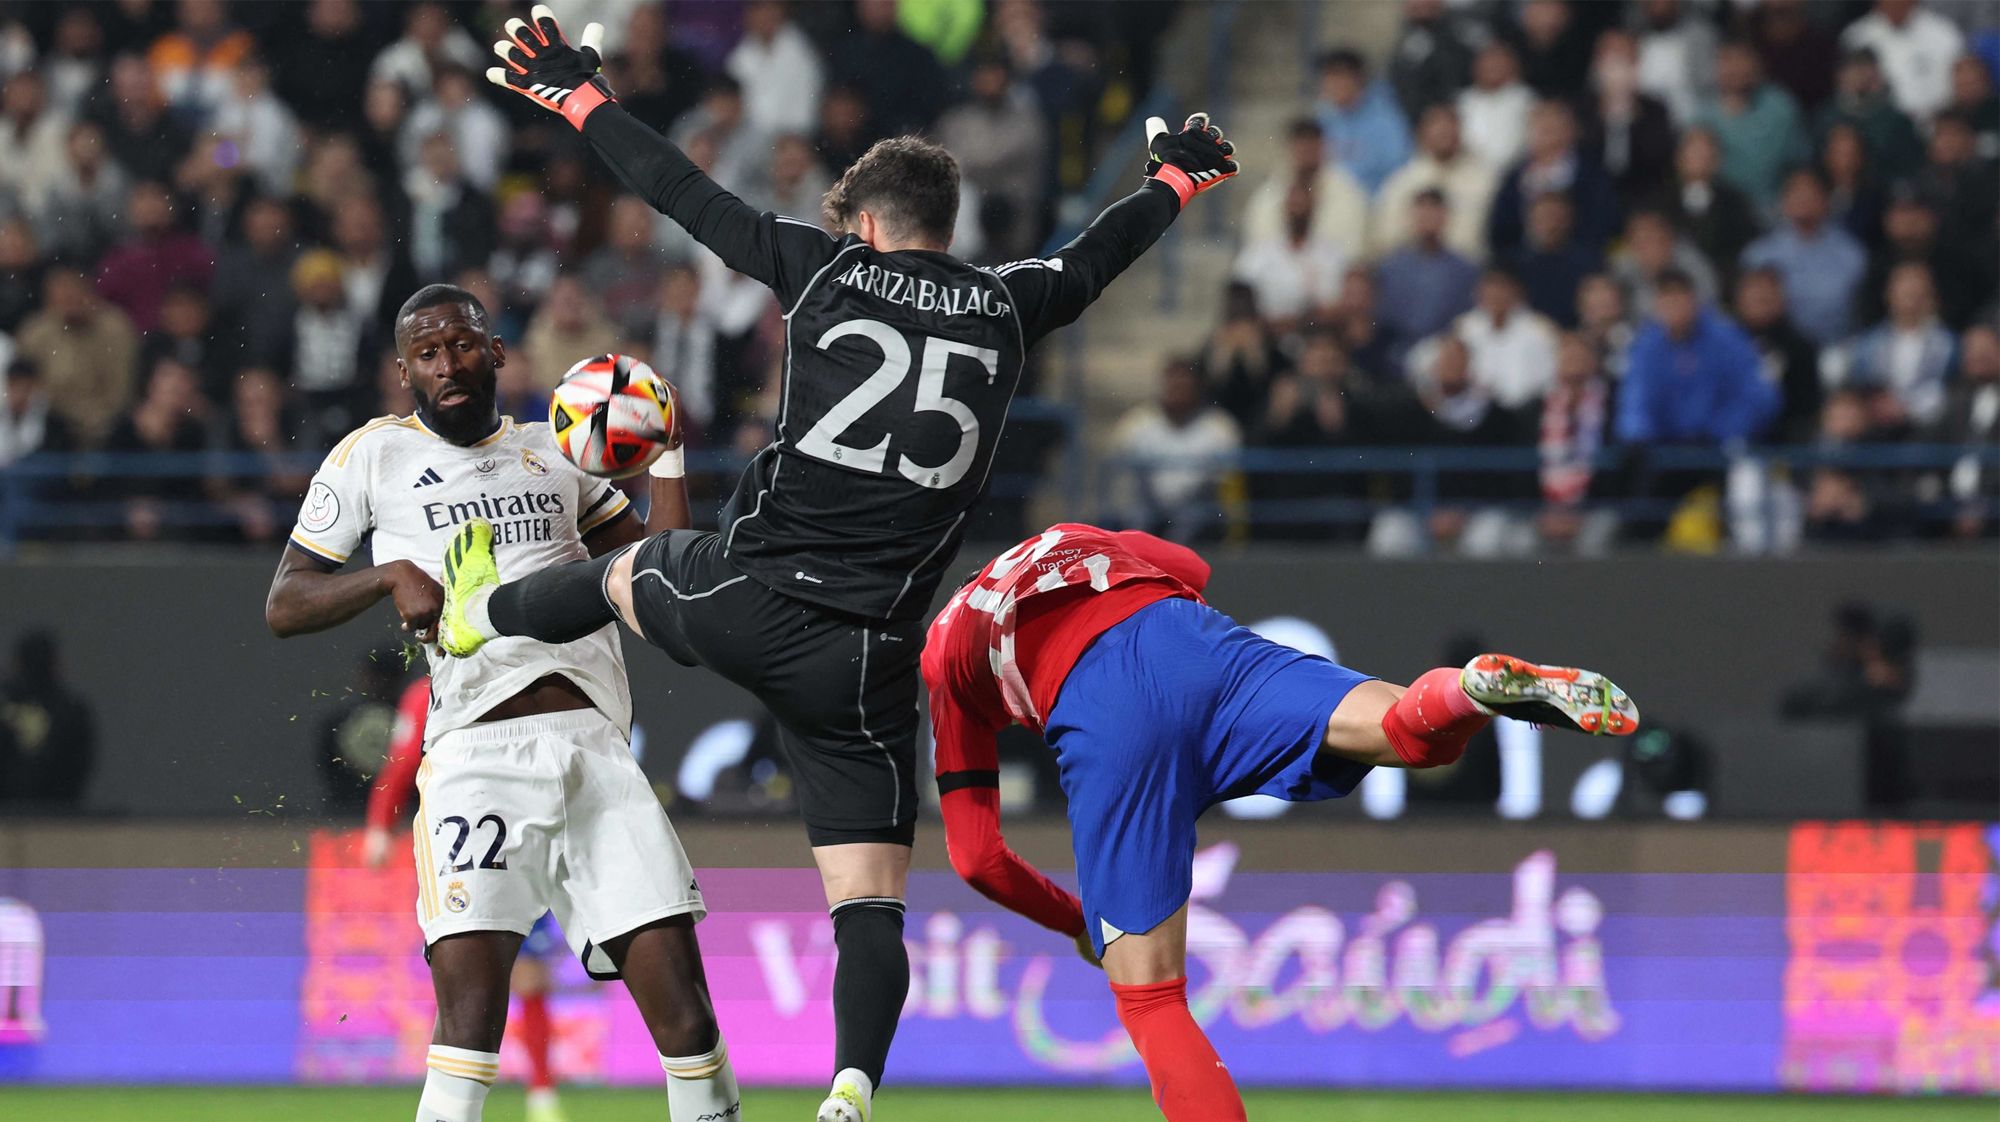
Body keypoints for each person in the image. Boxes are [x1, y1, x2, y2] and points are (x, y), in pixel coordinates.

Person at [459, 11, 1239, 1120]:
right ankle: (850, 1090)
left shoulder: (823, 272)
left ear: (866, 223)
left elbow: (684, 193)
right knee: (869, 905)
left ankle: (465, 614)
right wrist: (1174, 178)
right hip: (868, 662)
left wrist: (582, 98)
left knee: (621, 572)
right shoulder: (1009, 305)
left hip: (748, 594)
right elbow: (1096, 256)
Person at [922, 523, 1639, 1122]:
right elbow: (1191, 567)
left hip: (1103, 706)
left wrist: (1077, 923)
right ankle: (1470, 690)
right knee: (1401, 731)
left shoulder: (940, 656)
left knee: (1150, 997)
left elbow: (976, 856)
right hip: (1193, 641)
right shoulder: (1067, 535)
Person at [264, 282, 737, 1122]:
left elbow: (663, 571)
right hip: (477, 761)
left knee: (691, 1023)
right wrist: (386, 575)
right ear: (404, 370)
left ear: (497, 353)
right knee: (469, 1031)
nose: (448, 363)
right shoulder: (373, 455)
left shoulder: (556, 450)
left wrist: (665, 453)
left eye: (462, 344)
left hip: (595, 752)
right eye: (428, 352)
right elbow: (286, 601)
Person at [364, 675, 575, 1122]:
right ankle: (450, 1098)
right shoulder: (427, 691)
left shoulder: (519, 674)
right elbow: (404, 760)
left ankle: (541, 1094)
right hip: (460, 839)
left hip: (524, 830)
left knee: (531, 975)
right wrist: (380, 824)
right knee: (461, 969)